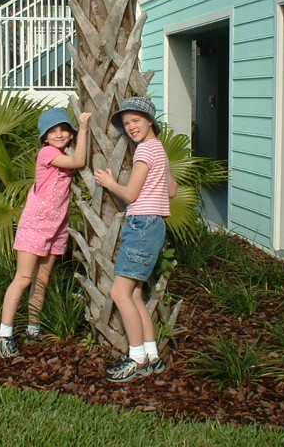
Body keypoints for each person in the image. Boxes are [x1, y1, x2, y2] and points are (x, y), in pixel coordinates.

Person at [0, 107, 91, 358]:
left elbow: (78, 159)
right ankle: (3, 333)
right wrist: (85, 126)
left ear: (71, 135)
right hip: (35, 226)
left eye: (64, 130)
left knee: (42, 280)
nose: (59, 134)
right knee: (24, 279)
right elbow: (79, 162)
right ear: (45, 137)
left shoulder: (64, 151)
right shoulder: (47, 153)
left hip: (56, 227)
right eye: (53, 131)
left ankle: (33, 329)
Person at [94, 95, 178, 382]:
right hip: (155, 227)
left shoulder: (144, 151)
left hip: (141, 225)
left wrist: (109, 183)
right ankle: (152, 357)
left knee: (119, 293)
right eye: (126, 123)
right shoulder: (159, 150)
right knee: (135, 294)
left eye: (136, 120)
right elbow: (173, 191)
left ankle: (136, 357)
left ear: (150, 121)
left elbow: (130, 195)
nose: (130, 127)